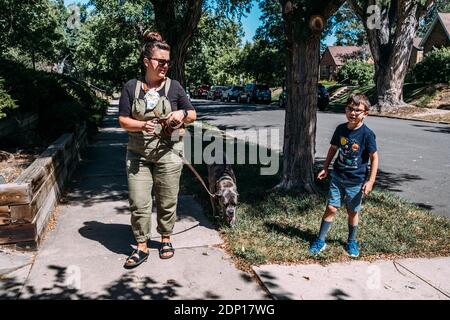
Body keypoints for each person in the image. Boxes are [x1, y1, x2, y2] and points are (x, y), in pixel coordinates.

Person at [118, 31, 196, 269]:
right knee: (139, 201)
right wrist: (142, 124)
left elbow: (192, 114)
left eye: (167, 62)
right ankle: (141, 246)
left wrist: (180, 114)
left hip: (169, 154)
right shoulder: (131, 87)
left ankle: (165, 238)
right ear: (146, 62)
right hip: (137, 156)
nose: (165, 66)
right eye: (160, 61)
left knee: (167, 200)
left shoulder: (174, 87)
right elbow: (122, 120)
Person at [309, 93, 378, 258]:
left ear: (365, 114)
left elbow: (374, 157)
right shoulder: (340, 129)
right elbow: (333, 148)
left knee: (352, 211)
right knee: (331, 207)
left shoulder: (367, 134)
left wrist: (370, 181)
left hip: (356, 181)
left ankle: (352, 241)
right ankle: (320, 240)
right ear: (345, 110)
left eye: (358, 110)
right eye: (350, 109)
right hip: (338, 177)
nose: (353, 113)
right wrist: (325, 167)